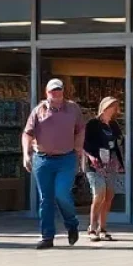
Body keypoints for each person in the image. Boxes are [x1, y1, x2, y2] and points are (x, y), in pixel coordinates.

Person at [23, 78, 85, 250]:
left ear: (63, 91)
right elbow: (27, 133)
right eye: (52, 91)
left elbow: (81, 128)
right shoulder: (38, 111)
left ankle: (71, 223)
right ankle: (47, 236)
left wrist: (79, 147)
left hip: (66, 158)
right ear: (46, 93)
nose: (56, 94)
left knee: (61, 194)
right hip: (42, 159)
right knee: (46, 199)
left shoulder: (73, 108)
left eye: (58, 90)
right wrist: (26, 154)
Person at [83, 96, 124, 242]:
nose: (113, 110)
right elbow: (83, 143)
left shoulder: (113, 125)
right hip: (95, 164)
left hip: (110, 163)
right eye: (111, 106)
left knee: (109, 196)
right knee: (99, 193)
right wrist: (90, 157)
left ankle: (103, 227)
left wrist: (118, 161)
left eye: (115, 107)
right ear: (104, 107)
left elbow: (118, 143)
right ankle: (92, 227)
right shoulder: (92, 124)